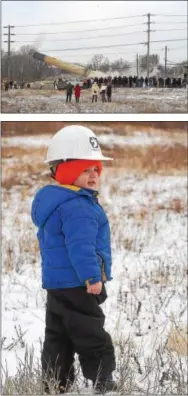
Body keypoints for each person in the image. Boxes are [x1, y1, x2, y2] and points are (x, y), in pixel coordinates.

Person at [31, 125, 117, 395]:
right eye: (85, 169)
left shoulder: (55, 201)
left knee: (58, 336)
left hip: (56, 285)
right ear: (67, 171)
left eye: (96, 170)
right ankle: (103, 380)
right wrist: (93, 278)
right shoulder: (78, 206)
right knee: (91, 333)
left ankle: (54, 382)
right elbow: (81, 247)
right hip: (79, 284)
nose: (93, 176)